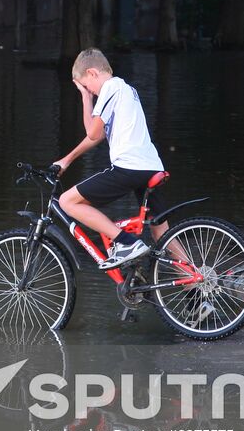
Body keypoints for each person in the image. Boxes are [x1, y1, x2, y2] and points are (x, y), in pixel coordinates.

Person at [52, 48, 167, 270]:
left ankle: (126, 243)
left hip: (130, 167)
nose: (91, 92)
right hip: (151, 167)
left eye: (87, 86)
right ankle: (197, 289)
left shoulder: (111, 87)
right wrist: (86, 97)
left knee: (67, 201)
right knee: (161, 232)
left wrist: (65, 160)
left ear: (93, 73)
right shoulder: (126, 89)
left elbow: (93, 135)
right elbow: (94, 133)